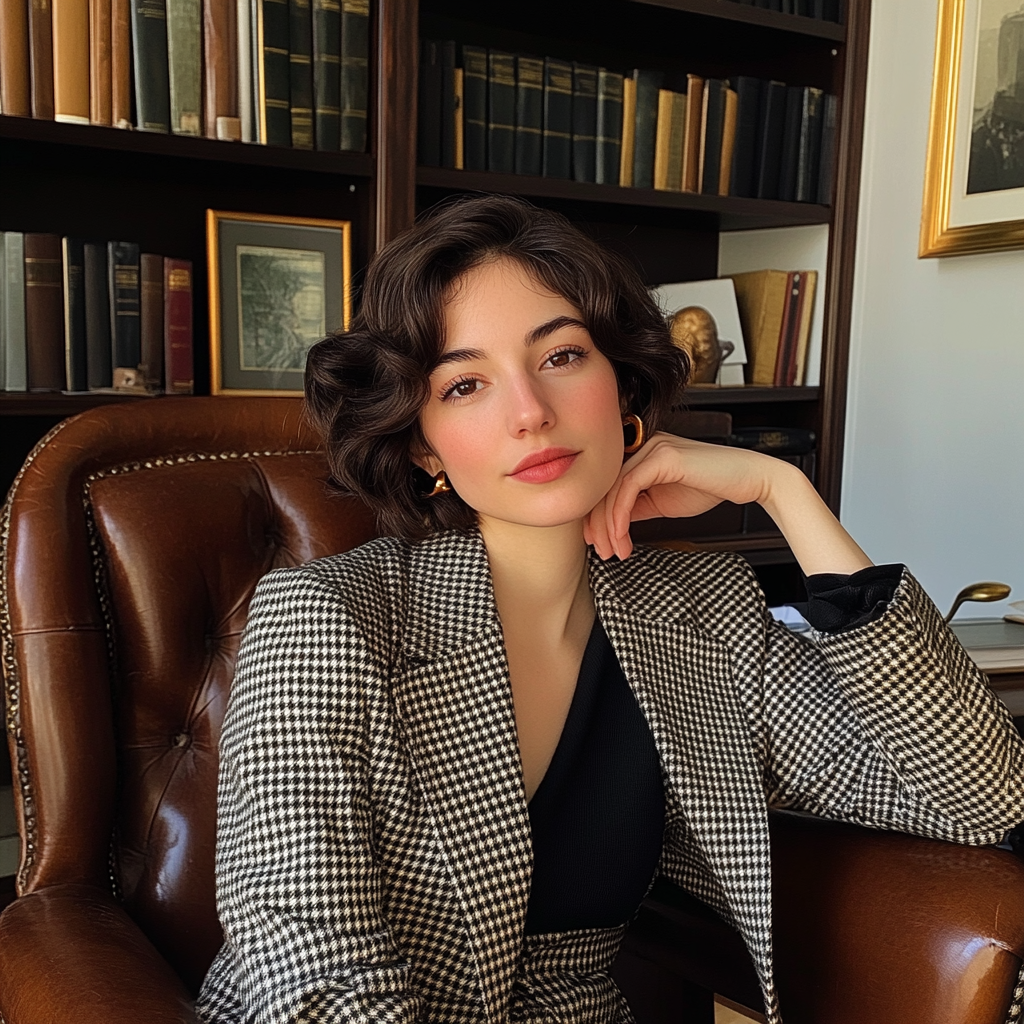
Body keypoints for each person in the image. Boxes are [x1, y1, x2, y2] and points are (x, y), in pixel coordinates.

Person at [197, 195, 1024, 1024]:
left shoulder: (703, 616)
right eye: (466, 383)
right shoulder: (326, 616)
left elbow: (980, 797)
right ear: (422, 443)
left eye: (560, 356)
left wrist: (786, 492)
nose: (530, 412)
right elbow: (309, 979)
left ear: (619, 384)